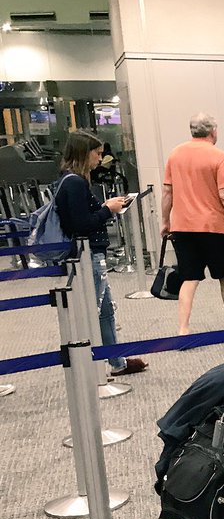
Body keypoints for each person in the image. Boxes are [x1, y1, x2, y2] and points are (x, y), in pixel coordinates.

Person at [55, 130, 148, 377]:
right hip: (88, 255)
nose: (100, 159)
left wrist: (107, 206)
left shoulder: (71, 180)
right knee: (92, 312)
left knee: (105, 311)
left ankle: (116, 361)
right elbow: (82, 224)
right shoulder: (75, 182)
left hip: (91, 254)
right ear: (85, 154)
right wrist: (109, 210)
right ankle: (90, 370)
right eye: (97, 154)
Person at [161, 112, 224, 335]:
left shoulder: (175, 154)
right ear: (213, 131)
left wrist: (165, 221)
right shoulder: (219, 156)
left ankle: (183, 328)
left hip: (182, 227)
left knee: (189, 278)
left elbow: (167, 192)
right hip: (214, 227)